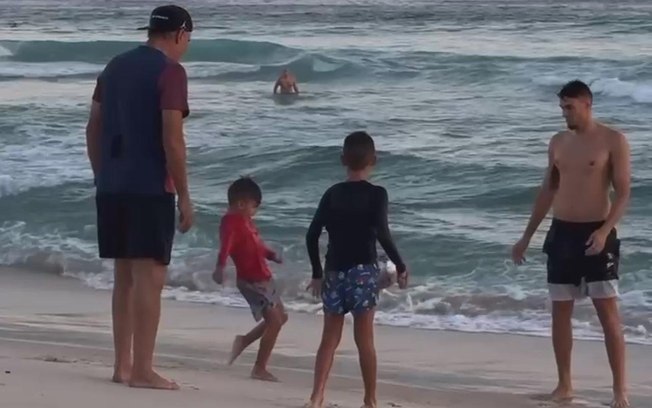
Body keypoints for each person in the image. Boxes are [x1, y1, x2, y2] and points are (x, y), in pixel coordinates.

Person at [85, 5, 194, 390]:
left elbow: (93, 127)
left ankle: (123, 365)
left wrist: (103, 176)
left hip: (113, 184)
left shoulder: (114, 66)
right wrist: (184, 194)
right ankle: (144, 370)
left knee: (125, 276)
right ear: (180, 34)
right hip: (150, 186)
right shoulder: (171, 72)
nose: (187, 47)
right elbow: (172, 139)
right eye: (188, 39)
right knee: (150, 277)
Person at [511, 80, 631, 408]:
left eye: (570, 107)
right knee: (560, 311)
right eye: (562, 107)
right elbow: (548, 190)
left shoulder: (613, 140)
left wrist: (606, 230)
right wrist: (527, 236)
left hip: (597, 232)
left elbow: (623, 193)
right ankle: (564, 385)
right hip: (561, 233)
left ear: (587, 104)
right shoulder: (558, 142)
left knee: (607, 312)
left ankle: (620, 390)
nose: (565, 113)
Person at [304, 131, 409, 408]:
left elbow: (311, 234)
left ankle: (317, 397)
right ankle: (370, 400)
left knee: (329, 339)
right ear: (374, 160)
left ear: (342, 160)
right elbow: (384, 235)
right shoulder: (377, 194)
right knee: (365, 341)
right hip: (363, 273)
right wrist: (400, 265)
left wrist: (317, 272)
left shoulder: (332, 194)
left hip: (334, 272)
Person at [213, 177, 288, 382]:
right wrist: (220, 267)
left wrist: (271, 255)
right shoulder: (231, 223)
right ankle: (259, 367)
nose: (255, 212)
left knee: (282, 317)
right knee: (274, 321)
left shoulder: (245, 221)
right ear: (241, 203)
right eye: (254, 207)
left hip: (264, 277)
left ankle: (244, 340)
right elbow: (226, 246)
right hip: (251, 280)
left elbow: (255, 245)